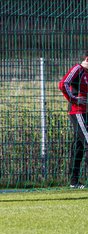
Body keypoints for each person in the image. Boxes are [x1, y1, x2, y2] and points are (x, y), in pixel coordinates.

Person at [58, 51, 88, 189]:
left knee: (79, 146)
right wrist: (74, 99)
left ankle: (74, 182)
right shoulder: (78, 69)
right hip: (78, 112)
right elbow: (63, 84)